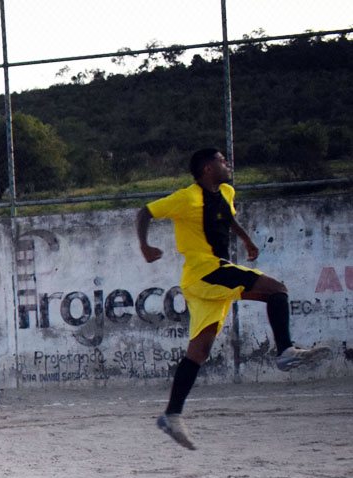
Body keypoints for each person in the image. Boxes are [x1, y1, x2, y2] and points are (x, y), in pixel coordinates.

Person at [136, 147, 329, 450]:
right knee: (276, 289)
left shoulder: (226, 190)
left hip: (209, 281)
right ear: (206, 169)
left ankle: (171, 415)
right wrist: (145, 247)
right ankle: (285, 351)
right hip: (206, 271)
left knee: (198, 352)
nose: (228, 163)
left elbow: (226, 217)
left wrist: (247, 240)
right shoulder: (186, 198)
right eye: (221, 160)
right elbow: (145, 212)